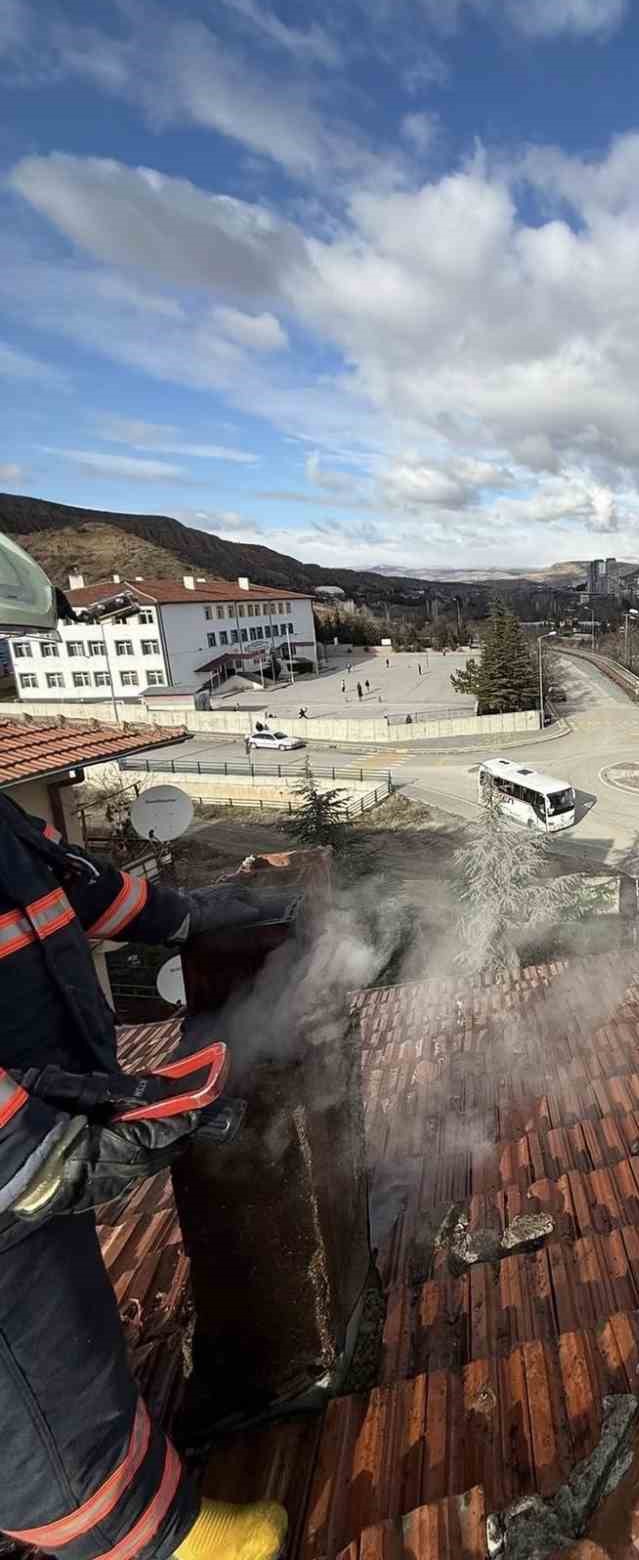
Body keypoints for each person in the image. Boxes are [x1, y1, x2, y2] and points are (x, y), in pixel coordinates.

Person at [0, 533, 291, 1560]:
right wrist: (37, 1152)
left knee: (67, 1309)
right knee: (32, 1361)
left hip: (41, 1112)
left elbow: (74, 887)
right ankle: (155, 1543)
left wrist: (193, 915)